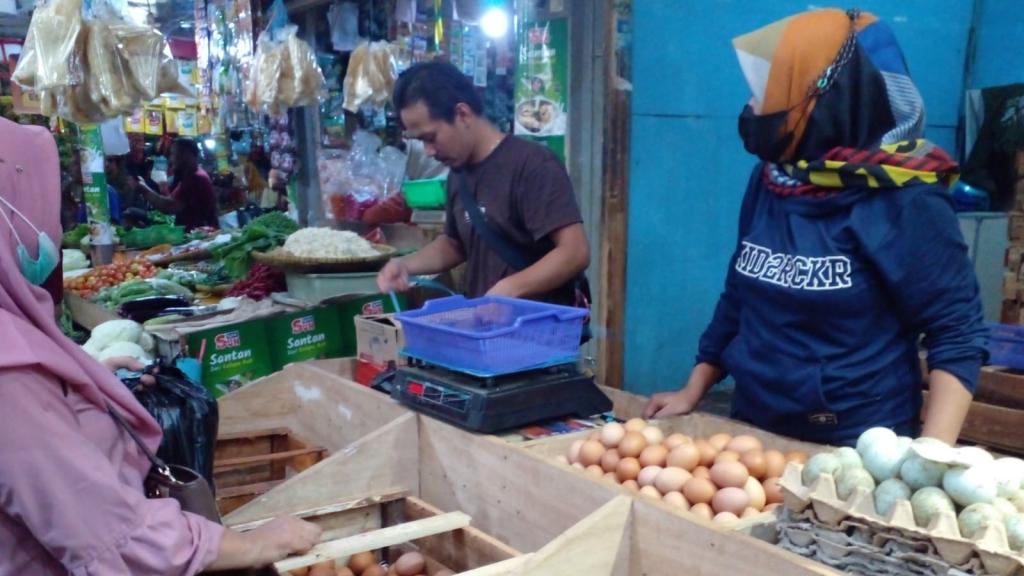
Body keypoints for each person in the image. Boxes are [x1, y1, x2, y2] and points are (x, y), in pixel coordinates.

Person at [643, 9, 988, 446]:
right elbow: (739, 293)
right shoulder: (774, 178)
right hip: (753, 424)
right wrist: (693, 389)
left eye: (771, 87)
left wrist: (925, 460)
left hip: (855, 444)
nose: (754, 105)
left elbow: (957, 331)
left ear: (829, 94)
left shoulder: (904, 198)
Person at [0, 117, 321, 574]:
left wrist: (79, 390)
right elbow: (116, 540)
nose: (50, 226)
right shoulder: (9, 377)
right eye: (41, 208)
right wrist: (253, 544)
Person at [377, 62, 589, 305]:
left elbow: (575, 252)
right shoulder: (458, 173)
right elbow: (455, 244)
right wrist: (405, 265)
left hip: (537, 335)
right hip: (486, 331)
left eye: (431, 137)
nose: (428, 151)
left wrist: (511, 288)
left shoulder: (532, 165)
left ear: (463, 114)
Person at [135, 138, 219, 231]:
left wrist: (144, 189)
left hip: (202, 236)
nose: (171, 159)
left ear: (185, 155)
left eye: (173, 154)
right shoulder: (193, 175)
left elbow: (170, 207)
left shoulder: (195, 178)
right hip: (200, 234)